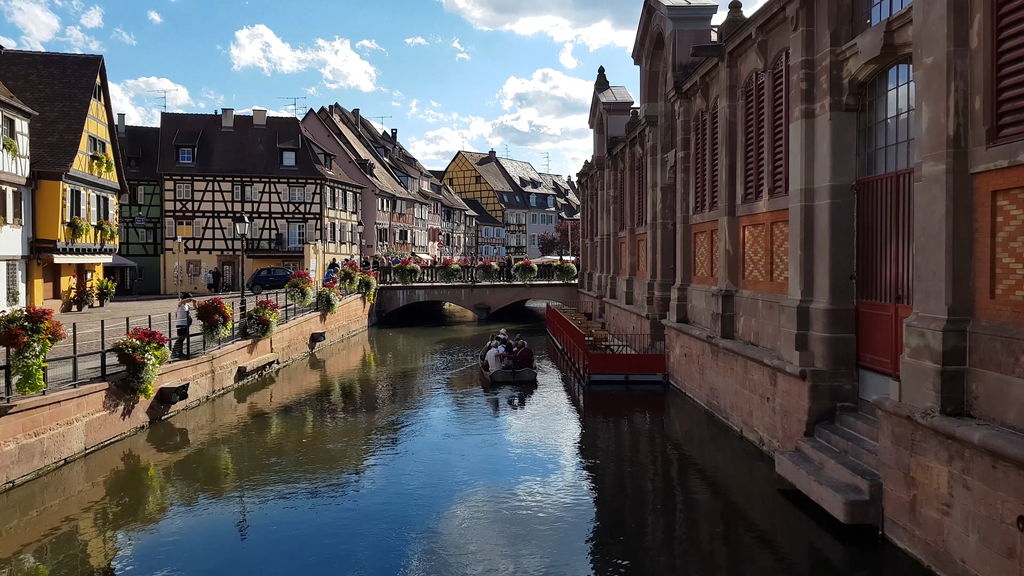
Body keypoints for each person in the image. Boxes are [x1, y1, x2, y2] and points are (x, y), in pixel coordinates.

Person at [172, 293, 197, 359]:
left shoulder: (187, 305)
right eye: (189, 298)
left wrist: (195, 303)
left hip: (185, 324)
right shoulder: (181, 304)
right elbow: (182, 301)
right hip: (181, 323)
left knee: (182, 338)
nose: (190, 301)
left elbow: (194, 308)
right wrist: (191, 299)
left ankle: (179, 352)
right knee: (180, 338)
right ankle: (175, 353)